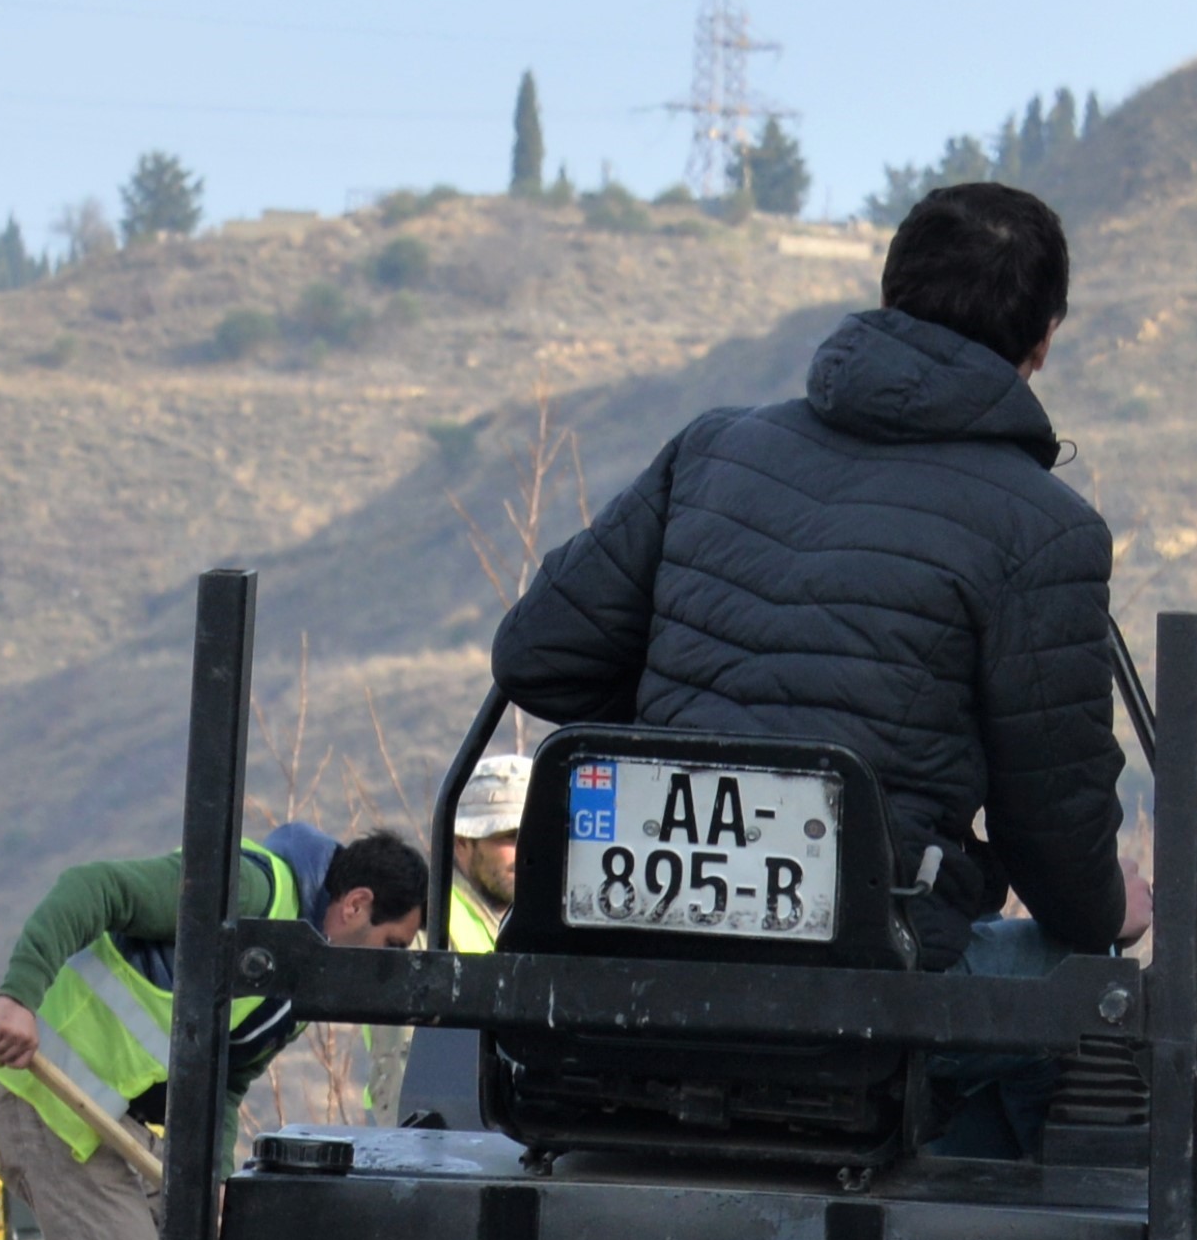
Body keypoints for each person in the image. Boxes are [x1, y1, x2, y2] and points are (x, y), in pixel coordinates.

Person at [488, 179, 1142, 1138]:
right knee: (1096, 995)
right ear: (1041, 341)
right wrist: (1110, 909)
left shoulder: (712, 448)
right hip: (870, 990)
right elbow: (1054, 831)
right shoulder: (1045, 530)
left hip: (633, 961)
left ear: (888, 293)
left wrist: (698, 722)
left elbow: (534, 655)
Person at [0, 821, 431, 1240]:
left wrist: (213, 1183)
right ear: (356, 904)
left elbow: (225, 1083)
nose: (386, 966)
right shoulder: (250, 895)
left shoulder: (300, 981)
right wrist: (18, 999)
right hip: (50, 1106)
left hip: (110, 1124)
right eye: (391, 945)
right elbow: (95, 887)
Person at [398, 751, 526, 1130]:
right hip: (437, 1141)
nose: (526, 852)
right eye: (509, 837)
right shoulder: (425, 925)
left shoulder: (522, 924)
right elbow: (401, 1062)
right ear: (462, 844)